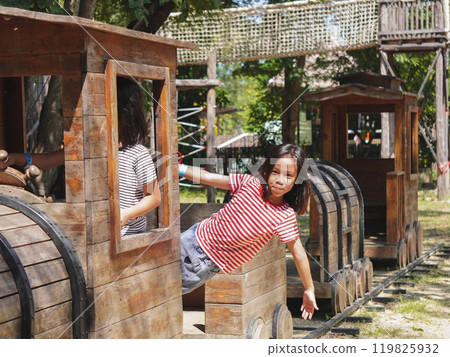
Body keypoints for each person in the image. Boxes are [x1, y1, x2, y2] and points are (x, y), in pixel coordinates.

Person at [0, 77, 160, 236]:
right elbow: (47, 160)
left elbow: (153, 197)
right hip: (95, 235)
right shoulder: (89, 149)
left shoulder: (138, 154)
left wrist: (126, 214)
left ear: (120, 112)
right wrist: (15, 158)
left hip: (128, 237)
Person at [179, 143, 318, 320]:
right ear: (266, 171)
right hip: (192, 237)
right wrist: (179, 168)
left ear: (297, 180)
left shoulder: (284, 215)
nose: (280, 180)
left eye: (288, 175)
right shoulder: (250, 183)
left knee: (164, 292)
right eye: (276, 172)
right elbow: (208, 177)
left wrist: (309, 288)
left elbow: (298, 253)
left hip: (205, 263)